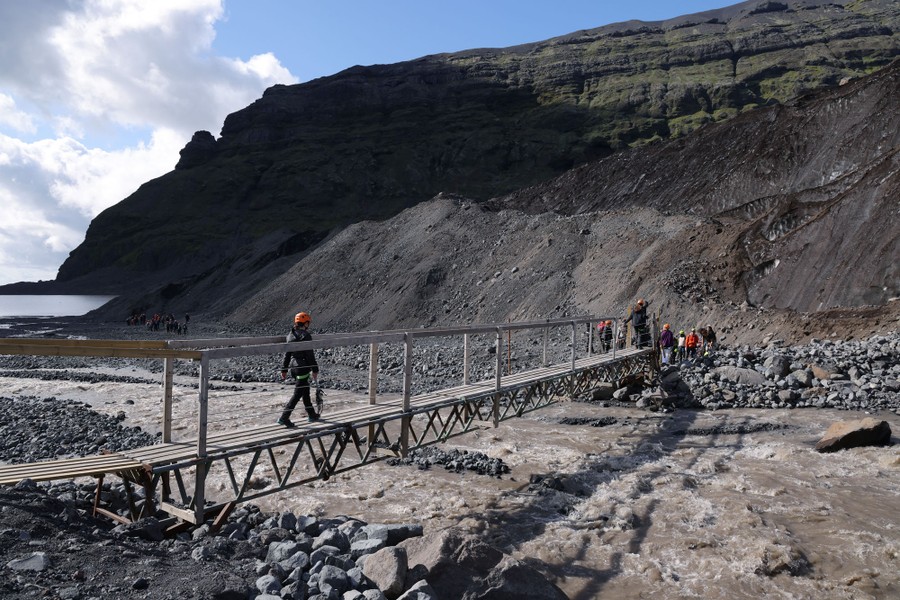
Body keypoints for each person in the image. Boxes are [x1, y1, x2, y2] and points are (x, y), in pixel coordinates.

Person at [278, 311, 320, 426]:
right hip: (303, 368)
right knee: (297, 394)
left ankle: (311, 414)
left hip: (294, 368)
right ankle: (284, 417)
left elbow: (287, 354)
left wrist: (284, 369)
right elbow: (310, 355)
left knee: (305, 390)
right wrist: (315, 370)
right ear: (305, 323)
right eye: (308, 323)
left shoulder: (290, 335)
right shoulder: (306, 336)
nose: (309, 325)